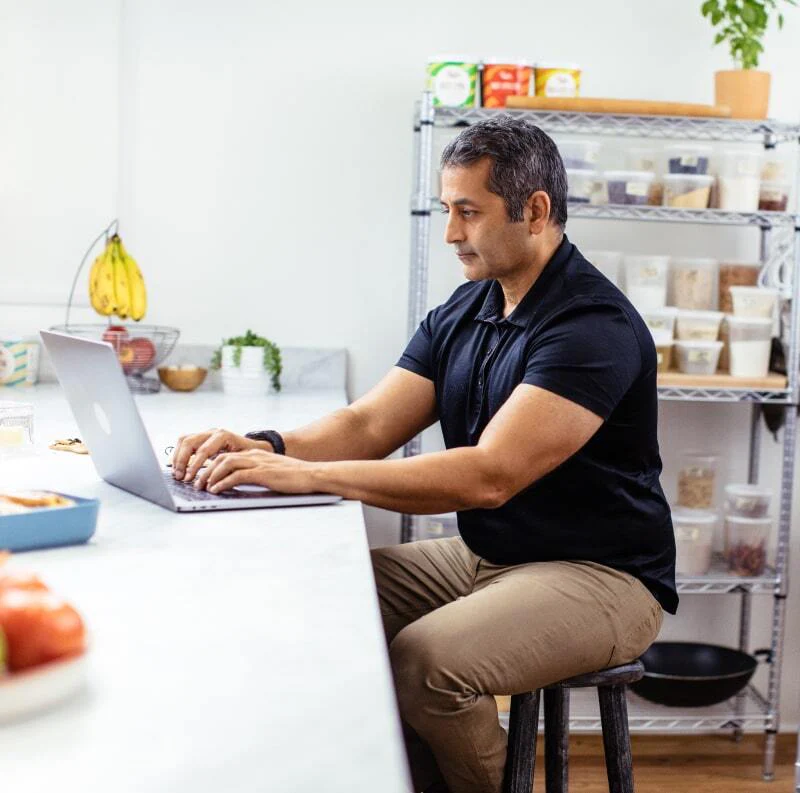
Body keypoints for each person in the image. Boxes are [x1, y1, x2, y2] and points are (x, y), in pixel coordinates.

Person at [171, 115, 677, 793]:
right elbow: (370, 420)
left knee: (427, 661)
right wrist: (265, 445)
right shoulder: (468, 309)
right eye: (447, 209)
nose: (450, 233)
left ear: (535, 210)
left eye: (468, 211)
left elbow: (489, 475)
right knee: (318, 597)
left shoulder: (591, 326)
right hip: (489, 556)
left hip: (602, 574)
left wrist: (307, 475)